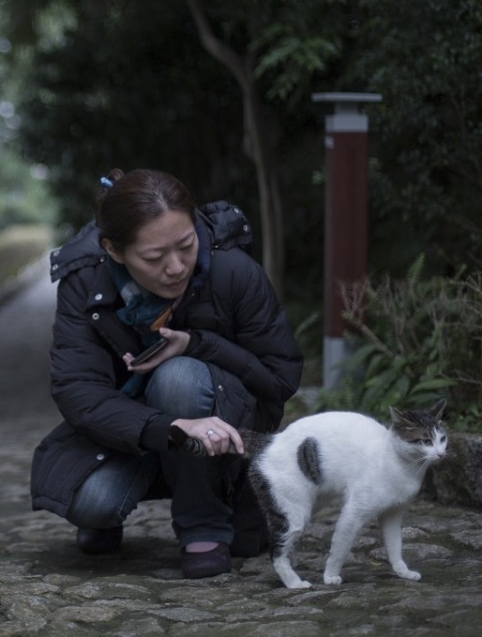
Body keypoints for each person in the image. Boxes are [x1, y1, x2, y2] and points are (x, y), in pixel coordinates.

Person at [30, 168, 303, 579]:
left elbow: (280, 379)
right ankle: (131, 499)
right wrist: (171, 427)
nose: (176, 267)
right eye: (155, 258)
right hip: (137, 432)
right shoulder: (85, 280)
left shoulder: (232, 269)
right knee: (93, 502)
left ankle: (204, 527)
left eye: (187, 245)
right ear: (114, 250)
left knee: (178, 377)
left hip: (222, 425)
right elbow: (78, 390)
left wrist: (198, 344)